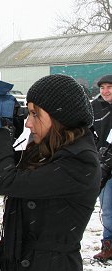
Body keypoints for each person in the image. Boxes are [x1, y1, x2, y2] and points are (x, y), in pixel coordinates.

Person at [0, 74, 100, 271]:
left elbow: (6, 181)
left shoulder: (80, 161)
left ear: (58, 117)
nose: (28, 123)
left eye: (34, 114)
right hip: (15, 258)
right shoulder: (44, 150)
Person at [91, 74, 112, 261]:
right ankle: (109, 244)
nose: (105, 91)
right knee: (107, 208)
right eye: (102, 88)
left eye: (109, 87)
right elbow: (87, 131)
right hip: (105, 165)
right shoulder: (95, 107)